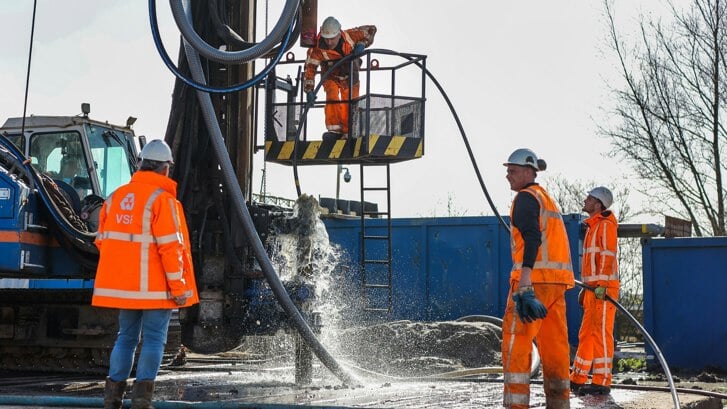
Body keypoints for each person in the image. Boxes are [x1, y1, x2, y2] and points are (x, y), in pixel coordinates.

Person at [92, 139, 199, 409]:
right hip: (154, 289)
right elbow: (171, 250)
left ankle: (112, 398)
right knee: (153, 340)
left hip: (123, 288)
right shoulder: (163, 201)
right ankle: (141, 400)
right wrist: (179, 290)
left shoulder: (114, 198)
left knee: (125, 338)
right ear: (165, 170)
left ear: (140, 164)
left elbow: (102, 240)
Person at [502, 148, 575, 409]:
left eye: (512, 171)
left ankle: (516, 405)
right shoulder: (546, 199)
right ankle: (559, 403)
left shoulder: (525, 198)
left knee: (516, 343)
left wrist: (524, 282)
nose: (508, 176)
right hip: (556, 285)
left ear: (528, 171)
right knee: (555, 345)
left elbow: (532, 238)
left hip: (533, 282)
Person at [570, 186, 619, 396]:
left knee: (601, 334)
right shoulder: (592, 227)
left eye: (589, 198)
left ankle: (602, 381)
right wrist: (587, 288)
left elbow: (607, 257)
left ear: (598, 204)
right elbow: (593, 262)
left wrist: (601, 286)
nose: (585, 200)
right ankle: (578, 377)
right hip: (593, 290)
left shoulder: (606, 225)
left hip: (603, 290)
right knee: (587, 334)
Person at [303, 16, 377, 140]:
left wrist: (362, 44)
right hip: (330, 76)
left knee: (351, 102)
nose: (329, 42)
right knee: (332, 96)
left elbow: (371, 30)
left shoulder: (350, 36)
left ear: (339, 34)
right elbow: (310, 68)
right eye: (327, 39)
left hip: (350, 76)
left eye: (332, 39)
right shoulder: (316, 49)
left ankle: (350, 132)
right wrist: (309, 90)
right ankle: (334, 131)